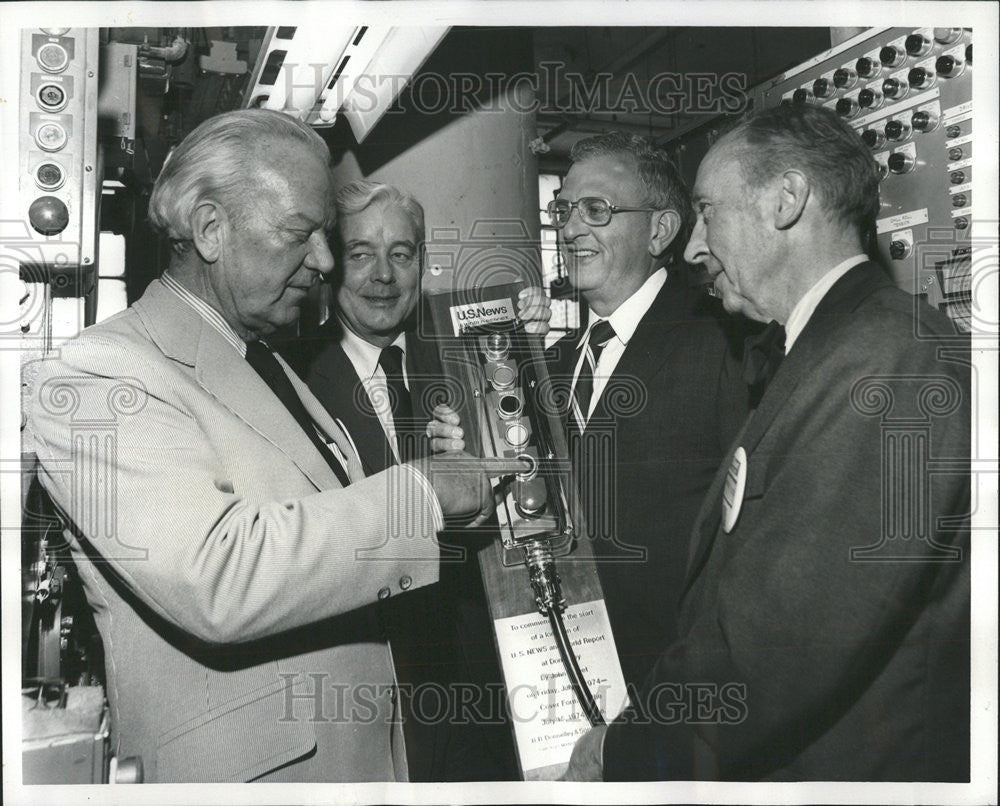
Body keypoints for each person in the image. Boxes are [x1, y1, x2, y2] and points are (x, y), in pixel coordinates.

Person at [26, 109, 525, 783]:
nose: (324, 262)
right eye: (301, 235)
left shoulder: (266, 360)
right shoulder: (98, 374)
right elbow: (218, 577)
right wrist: (426, 493)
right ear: (209, 230)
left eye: (325, 237)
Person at [563, 104, 970, 781]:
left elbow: (780, 649)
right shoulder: (831, 349)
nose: (693, 248)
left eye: (707, 213)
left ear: (786, 201)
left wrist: (625, 750)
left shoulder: (885, 361)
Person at [283, 179, 550, 780]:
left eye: (401, 254)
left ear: (423, 265)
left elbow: (537, 468)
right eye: (362, 254)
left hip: (484, 677)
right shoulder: (290, 377)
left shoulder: (469, 354)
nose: (383, 275)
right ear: (330, 264)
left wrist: (533, 344)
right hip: (368, 681)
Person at [544, 133, 749, 690]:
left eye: (596, 210)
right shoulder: (550, 364)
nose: (569, 228)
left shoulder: (727, 344)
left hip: (678, 695)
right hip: (561, 678)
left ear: (659, 230)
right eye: (563, 210)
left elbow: (748, 551)